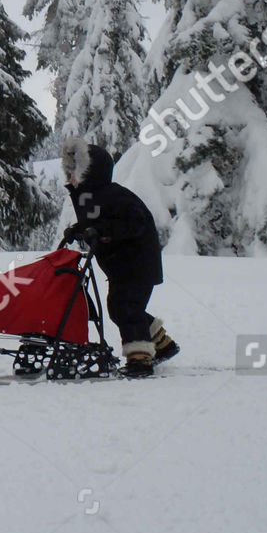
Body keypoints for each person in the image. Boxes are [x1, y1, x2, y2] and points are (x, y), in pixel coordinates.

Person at [60, 137, 179, 377]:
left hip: (137, 263)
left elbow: (133, 223)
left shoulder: (115, 196)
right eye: (69, 172)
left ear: (90, 173)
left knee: (125, 307)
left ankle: (140, 360)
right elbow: (96, 222)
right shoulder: (89, 197)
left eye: (76, 172)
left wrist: (101, 232)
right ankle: (162, 344)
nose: (71, 178)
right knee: (120, 307)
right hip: (121, 266)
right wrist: (79, 230)